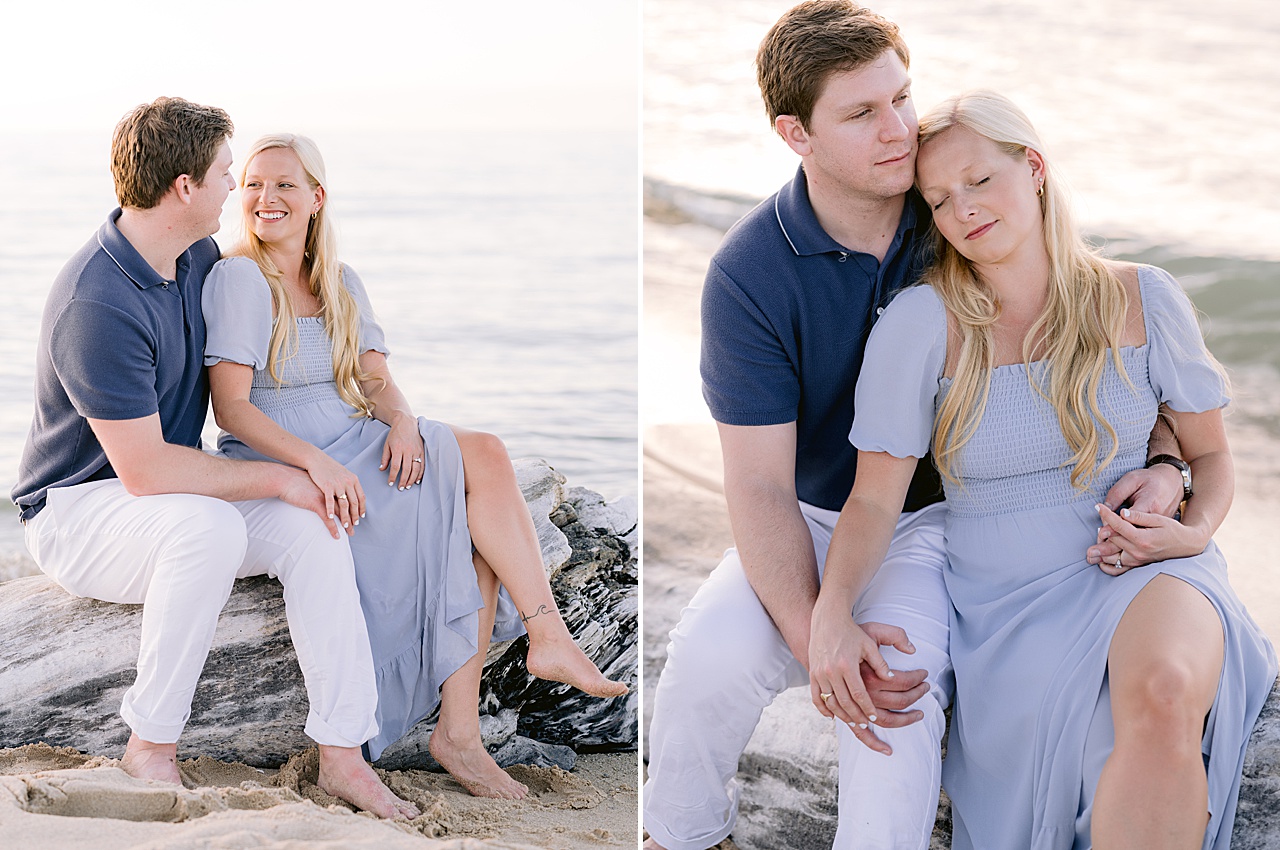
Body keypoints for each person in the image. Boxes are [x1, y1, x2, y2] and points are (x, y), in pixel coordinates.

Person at [641, 4, 1190, 849]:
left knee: (893, 701)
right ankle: (681, 836)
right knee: (701, 671)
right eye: (862, 114)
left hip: (940, 524)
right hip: (816, 516)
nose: (900, 131)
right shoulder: (749, 274)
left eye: (901, 97)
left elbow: (1098, 339)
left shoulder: (955, 220)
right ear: (796, 133)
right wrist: (819, 633)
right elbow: (755, 485)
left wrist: (1166, 459)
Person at [814, 88, 1277, 849]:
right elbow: (871, 504)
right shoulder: (922, 325)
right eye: (938, 200)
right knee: (1096, 753)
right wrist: (832, 616)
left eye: (980, 181)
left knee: (1164, 694)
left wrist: (1188, 533)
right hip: (1006, 604)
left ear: (1032, 168)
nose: (962, 209)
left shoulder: (1144, 297)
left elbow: (1213, 457)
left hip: (1148, 568)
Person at [11, 97, 420, 819]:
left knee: (317, 524)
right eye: (227, 172)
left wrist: (353, 425)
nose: (237, 186)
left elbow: (260, 354)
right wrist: (283, 475)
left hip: (169, 496)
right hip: (80, 511)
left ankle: (342, 753)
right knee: (212, 528)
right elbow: (144, 472)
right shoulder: (96, 301)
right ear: (184, 187)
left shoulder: (195, 258)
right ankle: (151, 744)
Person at [200, 133, 628, 801]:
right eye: (254, 184)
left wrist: (401, 420)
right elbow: (230, 409)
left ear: (317, 197)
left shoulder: (340, 281)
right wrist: (317, 464)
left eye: (284, 184)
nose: (265, 197)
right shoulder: (239, 278)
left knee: (480, 486)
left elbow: (373, 380)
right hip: (283, 453)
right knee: (477, 480)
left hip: (352, 436)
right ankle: (527, 658)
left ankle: (469, 725)